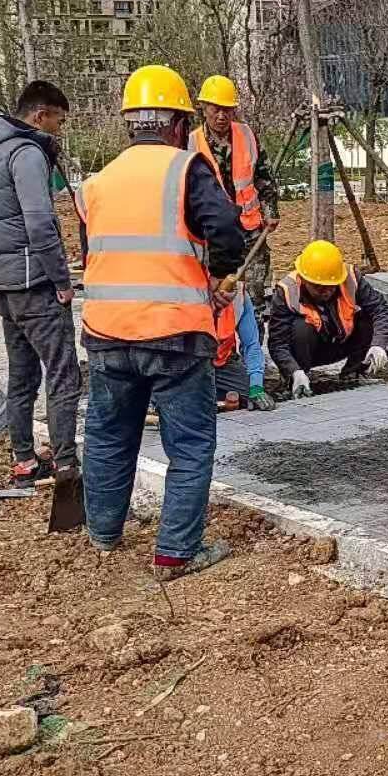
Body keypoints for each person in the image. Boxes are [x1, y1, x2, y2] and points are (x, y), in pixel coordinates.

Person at [74, 64, 246, 581]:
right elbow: (228, 230)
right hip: (174, 333)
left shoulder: (97, 183)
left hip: (107, 333)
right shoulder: (186, 169)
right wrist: (217, 277)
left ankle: (103, 532)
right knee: (189, 445)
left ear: (130, 122)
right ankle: (175, 552)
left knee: (108, 436)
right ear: (177, 123)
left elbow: (93, 254)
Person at [0, 79, 80, 487]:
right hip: (35, 285)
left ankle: (25, 462)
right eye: (58, 121)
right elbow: (40, 223)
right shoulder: (26, 153)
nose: (59, 129)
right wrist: (62, 280)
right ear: (40, 115)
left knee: (22, 376)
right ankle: (67, 467)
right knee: (64, 375)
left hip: (3, 285)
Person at [188, 75, 279, 350]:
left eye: (227, 109)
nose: (221, 115)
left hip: (250, 233)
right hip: (212, 239)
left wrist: (271, 210)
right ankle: (217, 354)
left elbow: (264, 177)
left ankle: (253, 356)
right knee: (215, 296)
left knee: (254, 297)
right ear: (204, 108)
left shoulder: (246, 135)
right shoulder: (191, 144)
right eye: (216, 109)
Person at [269, 240, 388, 399]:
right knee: (301, 328)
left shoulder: (350, 278)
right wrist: (293, 371)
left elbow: (380, 309)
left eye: (331, 286)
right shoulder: (287, 290)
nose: (326, 292)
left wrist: (379, 345)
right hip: (307, 351)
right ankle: (296, 381)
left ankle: (353, 373)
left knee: (367, 319)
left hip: (340, 342)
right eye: (318, 287)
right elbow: (277, 343)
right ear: (305, 280)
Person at [212, 286, 274, 411]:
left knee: (252, 398)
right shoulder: (193, 291)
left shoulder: (239, 296)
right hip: (187, 366)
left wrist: (256, 386)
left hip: (221, 364)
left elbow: (251, 344)